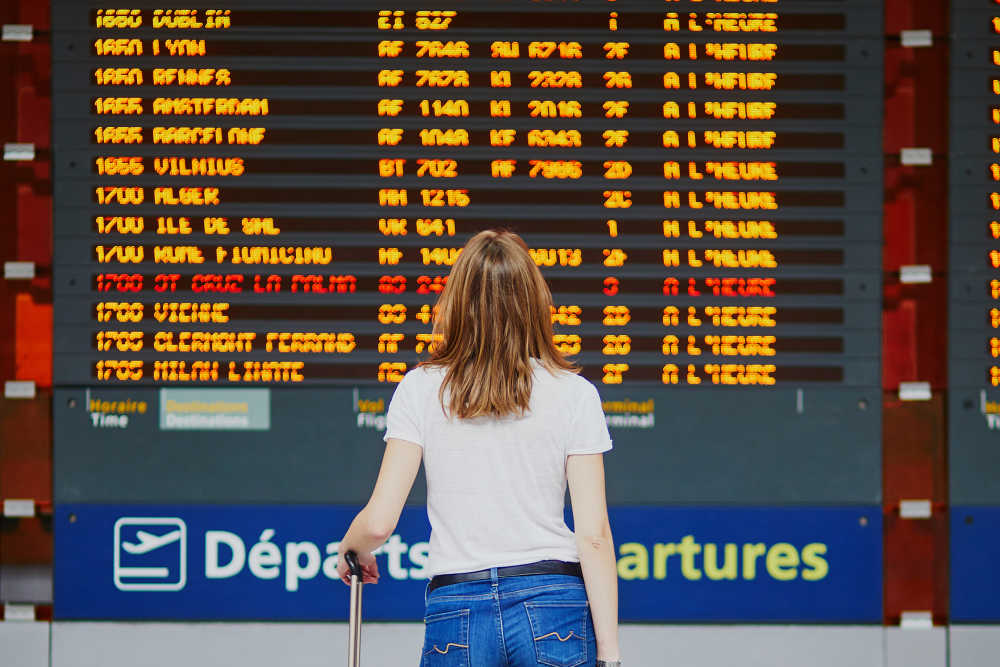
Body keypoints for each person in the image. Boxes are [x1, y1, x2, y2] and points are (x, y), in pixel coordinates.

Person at [337, 229, 621, 666]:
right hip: (553, 605)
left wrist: (350, 549)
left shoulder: (420, 389)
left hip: (457, 607)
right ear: (532, 302)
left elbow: (377, 524)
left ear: (456, 301)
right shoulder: (574, 393)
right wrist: (610, 655)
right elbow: (595, 538)